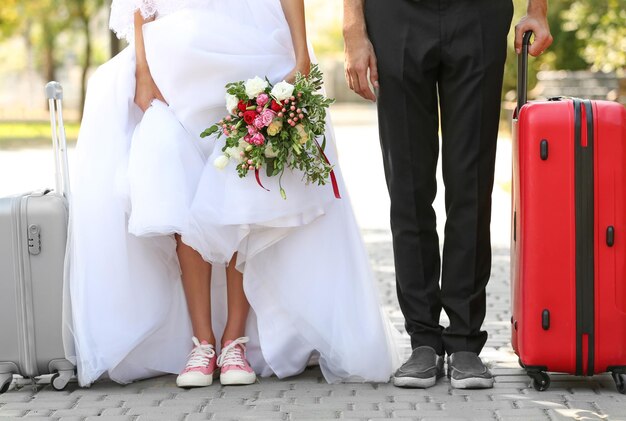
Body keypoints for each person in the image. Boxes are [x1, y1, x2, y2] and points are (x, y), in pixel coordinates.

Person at [64, 0, 400, 388]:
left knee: (243, 176)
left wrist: (301, 53)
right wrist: (142, 70)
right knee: (178, 186)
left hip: (253, 43)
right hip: (176, 52)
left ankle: (234, 340)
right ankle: (201, 341)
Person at [343, 0, 552, 389]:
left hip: (477, 14)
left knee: (470, 182)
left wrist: (537, 10)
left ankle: (464, 342)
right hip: (395, 14)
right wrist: (353, 29)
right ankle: (423, 341)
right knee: (407, 184)